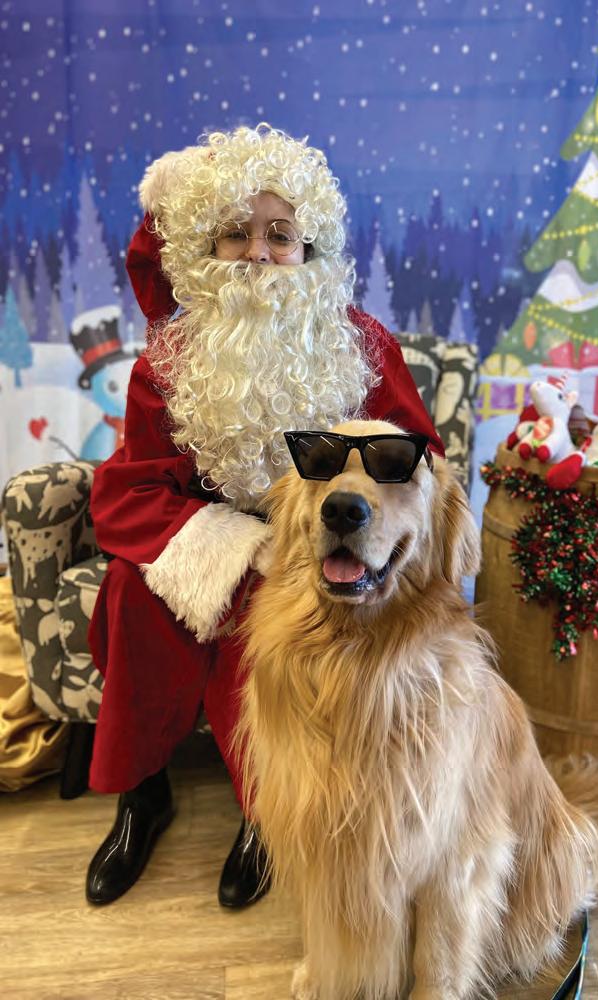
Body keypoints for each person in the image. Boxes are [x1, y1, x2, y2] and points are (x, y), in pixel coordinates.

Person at [85, 124, 443, 908]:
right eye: (237, 233)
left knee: (280, 603)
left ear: (308, 250)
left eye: (280, 235)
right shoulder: (169, 360)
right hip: (206, 532)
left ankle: (265, 809)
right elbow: (135, 484)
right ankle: (143, 794)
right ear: (206, 249)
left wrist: (331, 532)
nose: (258, 253)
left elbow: (414, 457)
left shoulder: (361, 345)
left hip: (326, 536)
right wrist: (229, 544)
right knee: (132, 593)